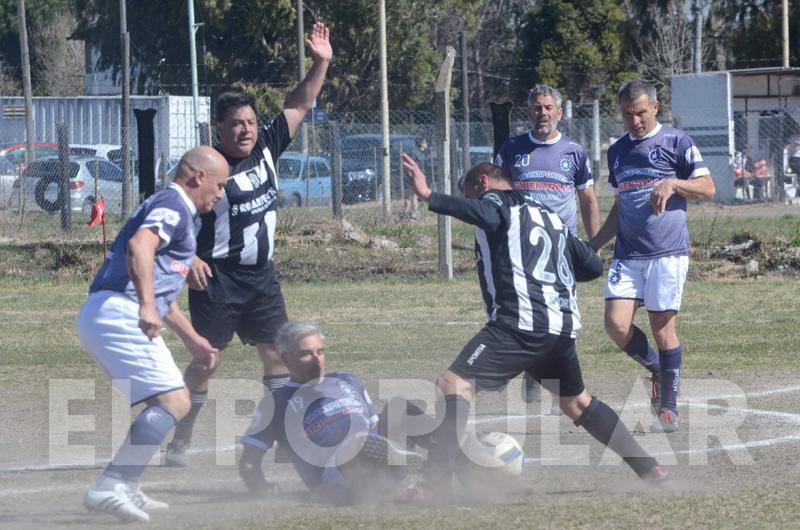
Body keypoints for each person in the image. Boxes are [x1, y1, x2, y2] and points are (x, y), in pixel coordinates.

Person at [401, 154, 669, 501]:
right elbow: (589, 266)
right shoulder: (549, 215)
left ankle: (430, 486)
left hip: (519, 324)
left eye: (469, 195)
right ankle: (650, 468)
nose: (472, 205)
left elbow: (487, 211)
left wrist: (430, 196)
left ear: (482, 184)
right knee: (576, 402)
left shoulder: (495, 201)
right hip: (559, 328)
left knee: (455, 383)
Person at [165, 22, 333, 466]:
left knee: (279, 358)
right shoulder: (205, 167)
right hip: (216, 280)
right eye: (236, 124)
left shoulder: (267, 148)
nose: (246, 130)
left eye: (251, 122)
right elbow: (167, 219)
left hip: (261, 278)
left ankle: (276, 439)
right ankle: (180, 437)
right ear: (218, 128)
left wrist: (321, 61)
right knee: (207, 363)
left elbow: (300, 103)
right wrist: (189, 260)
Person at [76, 146, 230, 522]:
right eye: (220, 185)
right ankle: (110, 485)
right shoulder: (174, 205)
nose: (222, 193)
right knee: (175, 403)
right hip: (120, 310)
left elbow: (162, 289)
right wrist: (146, 305)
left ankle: (125, 485)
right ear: (198, 178)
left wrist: (192, 339)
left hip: (116, 310)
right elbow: (139, 246)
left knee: (165, 403)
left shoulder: (181, 214)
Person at [590, 79, 715, 434]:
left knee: (663, 330)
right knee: (615, 325)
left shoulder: (677, 142)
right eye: (628, 114)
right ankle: (658, 369)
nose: (635, 121)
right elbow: (618, 206)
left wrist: (673, 183)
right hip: (628, 254)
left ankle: (669, 410)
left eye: (641, 113)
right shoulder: (617, 151)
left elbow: (707, 187)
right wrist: (594, 243)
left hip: (666, 253)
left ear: (655, 108)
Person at [238, 320, 430, 504]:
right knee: (352, 451)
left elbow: (375, 428)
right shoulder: (276, 403)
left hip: (375, 462)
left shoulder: (346, 380)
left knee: (400, 408)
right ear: (287, 358)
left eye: (320, 352)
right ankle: (393, 487)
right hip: (335, 480)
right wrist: (262, 489)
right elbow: (249, 463)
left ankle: (445, 465)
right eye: (306, 354)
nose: (317, 360)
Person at [494, 84, 600, 404]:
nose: (543, 113)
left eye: (548, 107)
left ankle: (559, 380)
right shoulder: (512, 149)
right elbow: (497, 194)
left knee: (561, 314)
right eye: (537, 108)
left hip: (562, 250)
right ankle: (532, 371)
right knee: (526, 311)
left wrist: (592, 246)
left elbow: (588, 199)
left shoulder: (574, 151)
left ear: (560, 113)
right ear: (530, 112)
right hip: (522, 247)